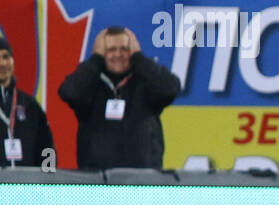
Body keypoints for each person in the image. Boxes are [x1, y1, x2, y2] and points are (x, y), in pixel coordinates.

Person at [57, 25, 181, 170]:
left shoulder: (145, 81)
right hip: (97, 182)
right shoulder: (91, 83)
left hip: (143, 181)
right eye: (111, 50)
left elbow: (170, 89)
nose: (118, 54)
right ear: (102, 53)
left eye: (124, 49)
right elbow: (69, 92)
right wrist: (96, 58)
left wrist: (138, 57)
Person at [0, 34, 56, 169]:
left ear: (13, 60)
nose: (2, 63)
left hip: (25, 187)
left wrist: (48, 179)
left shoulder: (29, 104)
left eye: (6, 57)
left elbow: (47, 145)